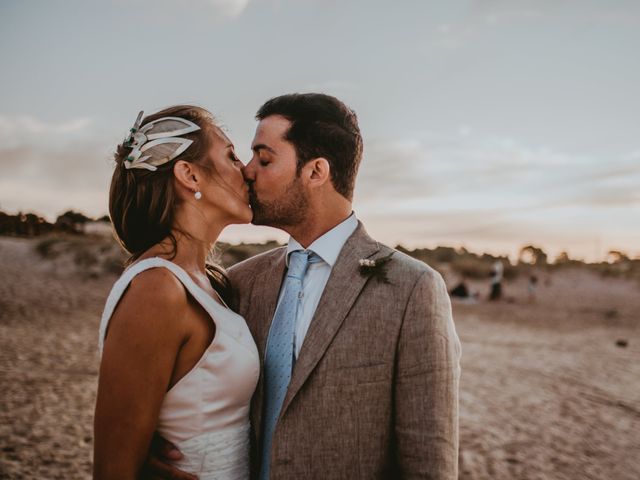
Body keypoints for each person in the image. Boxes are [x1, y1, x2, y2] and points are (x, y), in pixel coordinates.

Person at [148, 93, 461, 479]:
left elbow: (429, 459)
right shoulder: (240, 283)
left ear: (316, 172)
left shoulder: (412, 288)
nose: (247, 171)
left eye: (264, 158)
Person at [93, 106, 259, 480]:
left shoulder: (206, 283)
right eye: (231, 156)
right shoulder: (156, 289)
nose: (246, 170)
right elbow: (112, 469)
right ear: (189, 174)